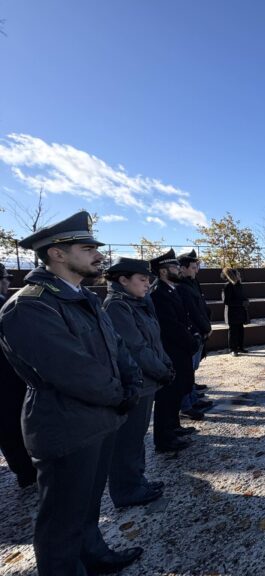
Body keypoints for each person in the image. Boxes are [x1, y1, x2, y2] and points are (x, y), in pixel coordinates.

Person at [0, 211, 144, 575]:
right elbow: (72, 371)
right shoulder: (29, 306)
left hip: (98, 419)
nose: (98, 255)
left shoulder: (85, 298)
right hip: (64, 426)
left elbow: (118, 350)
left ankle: (94, 554)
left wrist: (131, 385)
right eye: (87, 248)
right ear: (57, 254)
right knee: (61, 522)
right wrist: (121, 394)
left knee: (87, 504)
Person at [103, 257, 175, 507]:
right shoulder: (116, 307)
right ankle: (126, 490)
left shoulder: (136, 303)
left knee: (137, 435)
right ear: (123, 280)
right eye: (142, 280)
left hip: (148, 380)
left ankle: (137, 480)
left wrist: (165, 364)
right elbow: (136, 347)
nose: (147, 284)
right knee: (128, 439)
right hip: (137, 383)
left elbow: (155, 340)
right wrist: (161, 371)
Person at [150, 249, 201, 447]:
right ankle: (164, 438)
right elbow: (171, 325)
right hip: (171, 350)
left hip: (180, 350)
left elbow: (184, 319)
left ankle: (174, 426)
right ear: (163, 271)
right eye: (173, 267)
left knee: (178, 390)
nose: (178, 269)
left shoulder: (171, 289)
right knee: (167, 396)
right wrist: (191, 341)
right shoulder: (158, 293)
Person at [0, 263, 37, 489]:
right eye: (6, 276)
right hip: (10, 378)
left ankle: (23, 470)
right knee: (13, 424)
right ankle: (27, 472)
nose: (8, 281)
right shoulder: (6, 306)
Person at [176, 249, 213, 415]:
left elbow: (200, 307)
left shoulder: (192, 283)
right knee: (187, 371)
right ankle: (188, 404)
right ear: (182, 269)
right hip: (192, 333)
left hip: (199, 331)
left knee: (191, 370)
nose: (196, 269)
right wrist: (205, 328)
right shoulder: (182, 287)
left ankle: (192, 399)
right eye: (192, 267)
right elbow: (192, 311)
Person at [222, 268, 249, 355]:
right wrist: (241, 303)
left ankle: (240, 347)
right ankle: (232, 349)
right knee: (233, 331)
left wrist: (246, 301)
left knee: (241, 330)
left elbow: (243, 296)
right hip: (232, 313)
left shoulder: (239, 285)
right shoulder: (227, 286)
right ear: (233, 276)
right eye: (237, 274)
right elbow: (226, 301)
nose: (239, 276)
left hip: (240, 312)